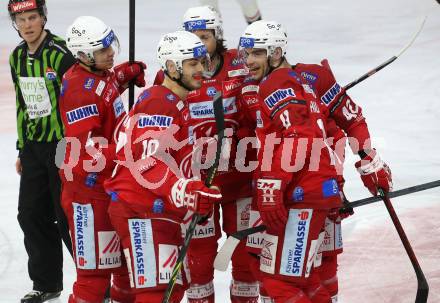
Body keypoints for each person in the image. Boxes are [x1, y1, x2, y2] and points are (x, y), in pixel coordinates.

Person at [238, 20, 393, 302]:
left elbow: (349, 119)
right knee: (287, 274)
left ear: (275, 52)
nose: (248, 61)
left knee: (302, 274)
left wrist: (369, 161)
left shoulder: (312, 77)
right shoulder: (252, 85)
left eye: (256, 53)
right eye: (246, 54)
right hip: (291, 188)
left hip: (303, 188)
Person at [103, 30, 222, 303]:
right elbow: (147, 162)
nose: (201, 70)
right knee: (158, 294)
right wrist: (185, 190)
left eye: (202, 62)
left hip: (152, 208)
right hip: (141, 210)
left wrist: (193, 188)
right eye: (192, 64)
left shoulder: (174, 101)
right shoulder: (160, 102)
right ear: (171, 67)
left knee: (172, 287)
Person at [59, 15, 146, 302]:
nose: (110, 53)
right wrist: (126, 148)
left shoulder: (98, 74)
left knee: (124, 267)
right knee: (94, 278)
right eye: (102, 50)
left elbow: (102, 93)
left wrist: (122, 75)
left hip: (109, 187)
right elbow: (85, 154)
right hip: (87, 195)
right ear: (83, 55)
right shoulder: (78, 93)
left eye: (111, 45)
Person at [177, 6, 259, 303]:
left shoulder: (239, 61)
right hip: (201, 185)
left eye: (205, 36)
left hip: (241, 178)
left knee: (248, 258)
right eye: (192, 37)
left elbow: (269, 65)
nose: (199, 44)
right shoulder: (179, 71)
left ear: (217, 36)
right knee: (198, 263)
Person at [8, 0, 75, 301]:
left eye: (32, 17)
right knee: (31, 213)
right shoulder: (17, 57)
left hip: (62, 146)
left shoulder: (60, 53)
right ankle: (47, 283)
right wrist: (22, 149)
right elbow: (23, 105)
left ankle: (97, 282)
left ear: (44, 17)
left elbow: (77, 101)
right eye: (20, 19)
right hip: (34, 148)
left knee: (68, 216)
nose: (27, 25)